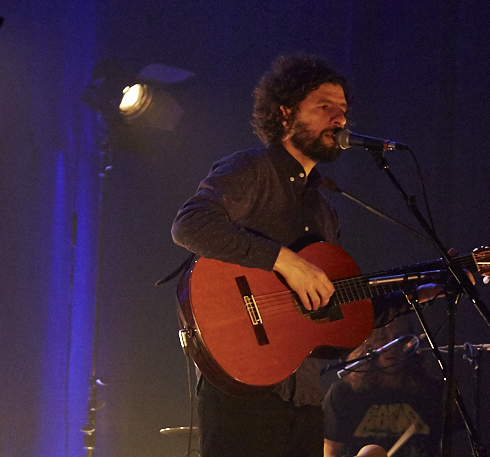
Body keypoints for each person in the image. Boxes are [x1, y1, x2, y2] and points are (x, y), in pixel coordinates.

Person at [172, 54, 424, 457]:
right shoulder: (252, 169)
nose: (339, 119)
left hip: (304, 399)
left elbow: (333, 311)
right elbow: (190, 225)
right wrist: (286, 262)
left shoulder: (325, 208)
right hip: (243, 387)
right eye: (325, 106)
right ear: (285, 114)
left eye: (343, 110)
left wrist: (414, 293)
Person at [323, 319, 442, 457]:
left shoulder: (432, 391)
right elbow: (331, 450)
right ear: (368, 344)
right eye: (383, 338)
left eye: (399, 338)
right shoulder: (343, 394)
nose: (392, 347)